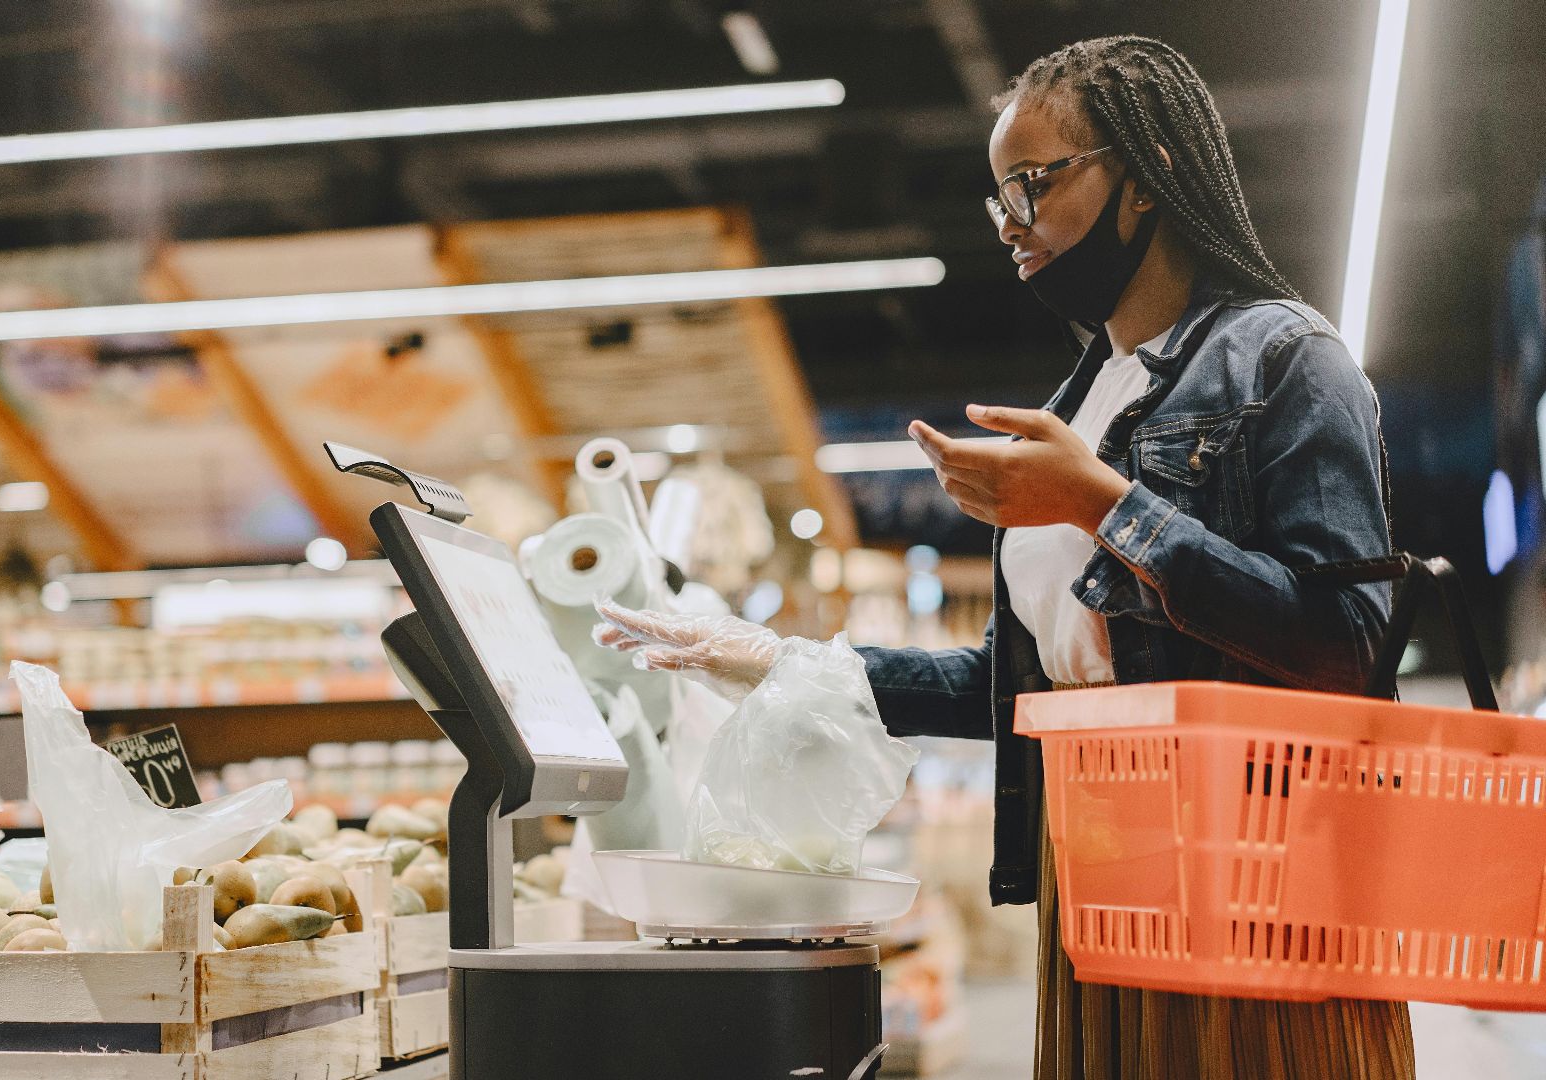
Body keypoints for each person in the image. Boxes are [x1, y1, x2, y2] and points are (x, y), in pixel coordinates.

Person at [594, 35, 1415, 1080]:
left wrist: (1105, 505)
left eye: (1034, 183)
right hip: (1100, 876)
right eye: (1000, 198)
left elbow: (1349, 646)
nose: (1013, 224)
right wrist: (779, 659)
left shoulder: (1287, 360)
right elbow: (1009, 681)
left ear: (1149, 171)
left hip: (1253, 875)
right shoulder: (1084, 399)